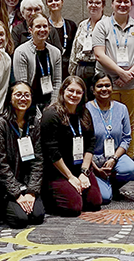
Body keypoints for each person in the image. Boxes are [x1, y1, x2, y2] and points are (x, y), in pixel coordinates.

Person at [92, 0, 134, 149]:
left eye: (126, 1)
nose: (122, 5)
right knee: (104, 122)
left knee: (128, 123)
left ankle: (127, 160)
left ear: (131, 4)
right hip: (106, 83)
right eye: (119, 1)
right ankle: (105, 160)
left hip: (132, 84)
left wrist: (128, 76)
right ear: (112, 4)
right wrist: (122, 74)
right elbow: (99, 54)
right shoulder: (102, 26)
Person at [0, 82, 46, 229]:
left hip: (26, 183)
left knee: (37, 216)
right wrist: (17, 194)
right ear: (10, 98)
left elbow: (38, 160)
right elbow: (0, 164)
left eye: (27, 95)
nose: (22, 98)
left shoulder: (34, 123)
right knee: (20, 220)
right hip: (3, 186)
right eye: (18, 94)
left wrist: (31, 192)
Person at [41, 76, 103, 216]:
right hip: (57, 170)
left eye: (78, 92)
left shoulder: (85, 113)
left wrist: (84, 172)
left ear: (83, 95)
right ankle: (47, 197)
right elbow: (52, 151)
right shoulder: (51, 114)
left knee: (95, 202)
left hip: (79, 166)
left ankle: (72, 190)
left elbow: (90, 144)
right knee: (74, 207)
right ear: (63, 91)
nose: (74, 95)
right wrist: (70, 177)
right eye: (71, 91)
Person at [86, 73, 134, 203]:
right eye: (100, 86)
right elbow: (83, 143)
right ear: (93, 89)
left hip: (115, 156)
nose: (104, 89)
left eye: (107, 85)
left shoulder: (121, 109)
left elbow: (127, 138)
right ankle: (101, 181)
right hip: (92, 159)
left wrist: (114, 159)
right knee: (104, 198)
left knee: (131, 170)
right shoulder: (86, 109)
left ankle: (111, 185)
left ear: (112, 87)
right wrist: (96, 169)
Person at [13, 13, 63, 110]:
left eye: (45, 26)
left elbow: (57, 82)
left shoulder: (55, 52)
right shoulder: (21, 52)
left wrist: (52, 107)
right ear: (30, 30)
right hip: (29, 104)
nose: (42, 30)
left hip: (50, 104)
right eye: (38, 26)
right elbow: (23, 86)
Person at [70, 0, 107, 80]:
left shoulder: (108, 24)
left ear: (103, 6)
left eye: (97, 3)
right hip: (81, 69)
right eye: (90, 2)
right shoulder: (82, 25)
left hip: (100, 69)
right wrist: (72, 73)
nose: (93, 5)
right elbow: (74, 50)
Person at [46, 0, 78, 75]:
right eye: (50, 1)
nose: (53, 3)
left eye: (56, 0)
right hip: (49, 68)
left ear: (62, 2)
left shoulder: (71, 25)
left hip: (67, 70)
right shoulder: (44, 26)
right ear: (46, 4)